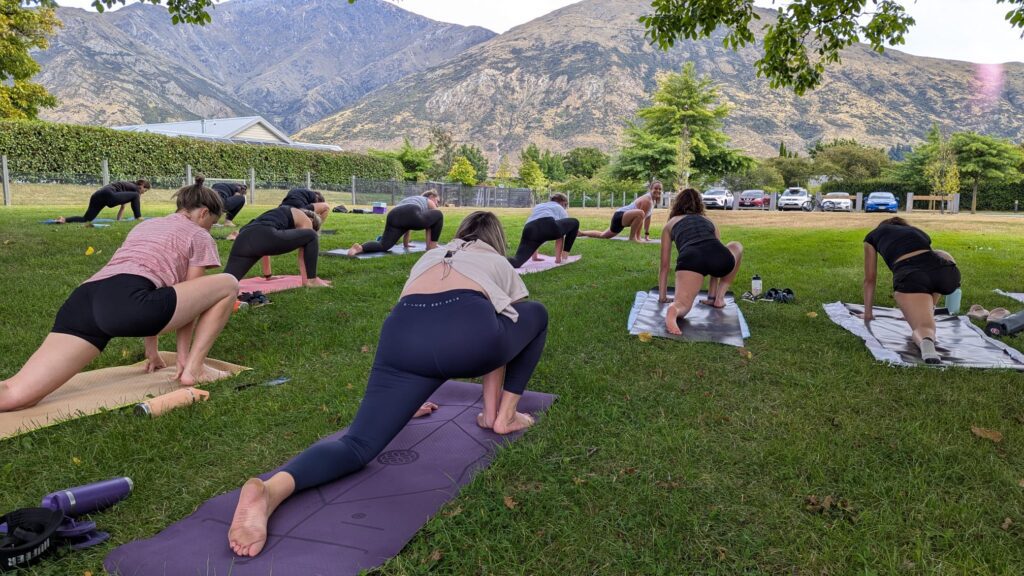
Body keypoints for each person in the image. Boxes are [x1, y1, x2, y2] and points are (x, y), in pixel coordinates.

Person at [227, 211, 548, 557]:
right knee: (536, 314)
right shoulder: (497, 261)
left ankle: (272, 489)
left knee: (357, 444)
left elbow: (425, 317)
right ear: (496, 239)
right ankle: (506, 416)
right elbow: (503, 330)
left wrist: (407, 399)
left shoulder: (431, 254)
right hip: (467, 337)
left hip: (401, 336)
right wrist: (492, 413)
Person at [0, 177, 239, 412]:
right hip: (129, 303)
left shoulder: (146, 225)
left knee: (17, 394)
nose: (209, 229)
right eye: (211, 223)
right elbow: (191, 299)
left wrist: (152, 351)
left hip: (84, 301)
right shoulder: (199, 234)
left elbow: (158, 288)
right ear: (204, 213)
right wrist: (185, 360)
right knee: (228, 283)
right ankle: (195, 369)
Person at [861, 217, 961, 364]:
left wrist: (868, 313)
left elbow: (870, 279)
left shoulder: (872, 236)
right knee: (937, 256)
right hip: (946, 274)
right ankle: (928, 309)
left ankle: (926, 342)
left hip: (911, 276)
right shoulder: (917, 232)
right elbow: (930, 259)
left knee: (924, 327)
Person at [657, 188, 743, 335]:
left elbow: (664, 266)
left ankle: (674, 309)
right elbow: (713, 263)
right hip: (719, 257)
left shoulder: (671, 223)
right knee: (736, 246)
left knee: (682, 305)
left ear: (677, 204)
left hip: (691, 259)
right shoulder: (709, 221)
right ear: (699, 204)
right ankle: (718, 298)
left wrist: (663, 297)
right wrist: (711, 296)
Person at [224, 205, 332, 288]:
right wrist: (308, 279)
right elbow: (303, 253)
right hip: (263, 236)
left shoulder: (275, 215)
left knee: (225, 282)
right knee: (311, 236)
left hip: (243, 240)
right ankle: (312, 281)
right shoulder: (305, 218)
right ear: (312, 221)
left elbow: (264, 249)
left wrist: (268, 276)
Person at [346, 191, 443, 256]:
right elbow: (432, 223)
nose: (437, 204)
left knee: (383, 245)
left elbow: (407, 224)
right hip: (411, 211)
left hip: (393, 214)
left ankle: (359, 248)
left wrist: (406, 244)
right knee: (438, 215)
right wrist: (430, 246)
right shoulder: (428, 201)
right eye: (437, 201)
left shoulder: (411, 199)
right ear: (431, 197)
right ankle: (432, 247)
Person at [508, 192, 579, 268]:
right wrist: (558, 259)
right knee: (575, 222)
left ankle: (497, 260)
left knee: (517, 261)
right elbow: (560, 235)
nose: (566, 207)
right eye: (566, 205)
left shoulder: (539, 206)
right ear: (562, 202)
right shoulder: (560, 208)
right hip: (547, 224)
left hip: (529, 228)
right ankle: (565, 258)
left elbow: (537, 225)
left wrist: (534, 257)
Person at [579, 180, 662, 242]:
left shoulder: (653, 201)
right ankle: (632, 238)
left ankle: (581, 233)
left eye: (660, 189)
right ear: (650, 189)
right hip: (620, 215)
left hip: (623, 217)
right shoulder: (647, 200)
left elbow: (648, 218)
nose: (658, 190)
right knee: (640, 213)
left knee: (603, 235)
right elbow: (641, 218)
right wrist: (639, 238)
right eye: (655, 188)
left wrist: (647, 235)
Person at [56, 180, 150, 224]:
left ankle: (64, 219)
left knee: (86, 219)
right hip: (109, 195)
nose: (143, 193)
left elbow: (122, 206)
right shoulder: (134, 188)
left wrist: (119, 219)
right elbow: (135, 196)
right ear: (141, 186)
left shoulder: (127, 187)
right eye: (144, 191)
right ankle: (138, 217)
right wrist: (138, 217)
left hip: (97, 195)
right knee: (135, 195)